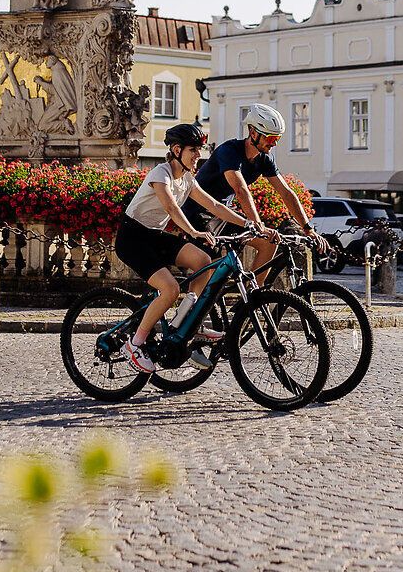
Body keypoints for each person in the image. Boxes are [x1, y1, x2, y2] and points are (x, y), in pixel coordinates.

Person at [114, 124, 252, 374]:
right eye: (193, 150)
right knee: (170, 289)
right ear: (177, 150)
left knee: (202, 260)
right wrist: (195, 232)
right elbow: (170, 207)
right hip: (132, 238)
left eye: (200, 150)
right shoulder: (161, 173)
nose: (198, 155)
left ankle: (187, 320)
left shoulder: (187, 179)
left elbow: (213, 205)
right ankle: (134, 344)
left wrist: (249, 223)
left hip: (154, 236)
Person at [192, 103, 314, 277]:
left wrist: (308, 229)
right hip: (197, 212)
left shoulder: (265, 159)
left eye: (277, 139)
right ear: (253, 132)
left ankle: (255, 294)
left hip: (223, 213)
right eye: (270, 139)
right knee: (208, 270)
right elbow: (240, 189)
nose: (274, 144)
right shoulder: (229, 151)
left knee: (269, 243)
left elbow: (286, 193)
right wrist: (258, 225)